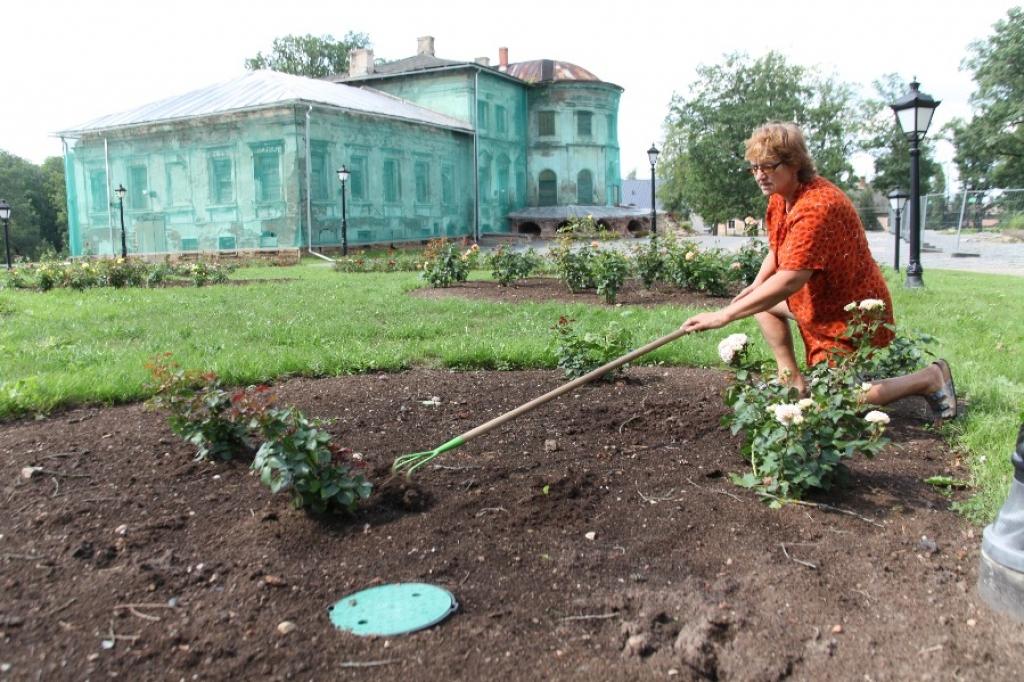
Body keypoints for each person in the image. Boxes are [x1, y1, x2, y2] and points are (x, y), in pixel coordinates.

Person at [680, 122, 956, 420]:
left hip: (850, 312)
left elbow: (791, 279)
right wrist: (756, 286)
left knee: (835, 401)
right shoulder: (779, 199)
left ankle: (929, 378)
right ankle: (793, 382)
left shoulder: (817, 206)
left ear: (794, 163)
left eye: (769, 166)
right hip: (817, 302)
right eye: (754, 167)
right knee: (762, 303)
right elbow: (778, 248)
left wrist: (724, 315)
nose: (760, 175)